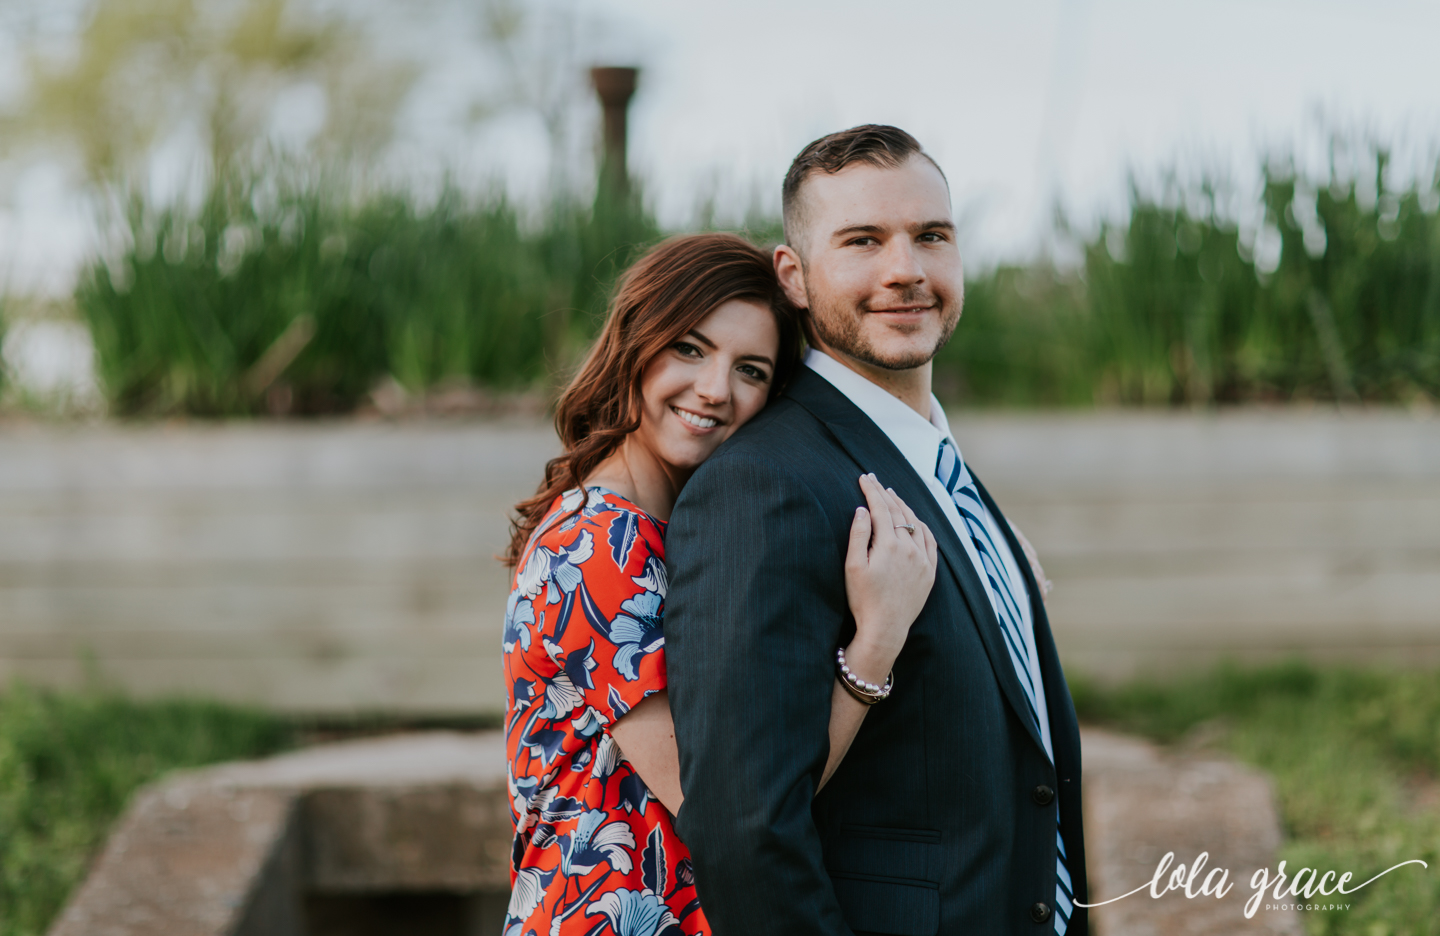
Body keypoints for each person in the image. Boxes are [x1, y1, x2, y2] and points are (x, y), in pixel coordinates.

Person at [664, 126, 1088, 935]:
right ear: (793, 275)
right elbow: (747, 832)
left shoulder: (936, 461)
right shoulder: (765, 486)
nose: (907, 269)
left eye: (932, 236)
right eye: (863, 241)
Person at [500, 232, 940, 936]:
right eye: (690, 349)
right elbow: (729, 802)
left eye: (752, 371)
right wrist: (876, 644)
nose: (714, 390)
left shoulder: (667, 527)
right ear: (638, 343)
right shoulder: (600, 544)